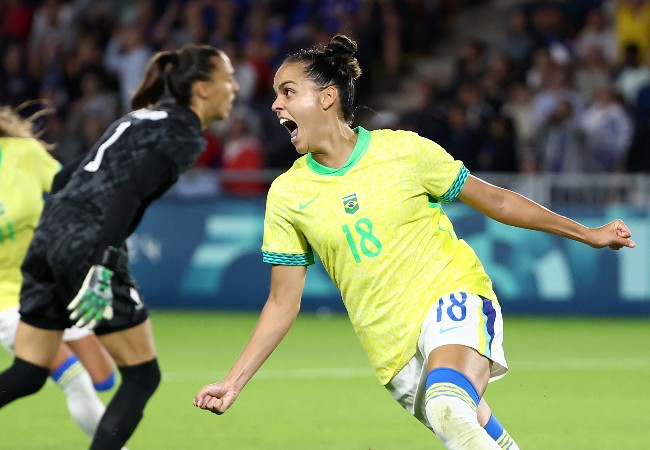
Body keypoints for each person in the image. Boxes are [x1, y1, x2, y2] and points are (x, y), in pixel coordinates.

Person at [193, 35, 635, 450]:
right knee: (469, 428)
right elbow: (281, 303)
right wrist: (233, 381)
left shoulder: (404, 151)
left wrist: (586, 234)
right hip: (393, 354)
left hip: (451, 296)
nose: (274, 105)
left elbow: (496, 200)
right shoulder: (288, 195)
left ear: (327, 97)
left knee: (447, 402)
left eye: (287, 92)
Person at [0, 43, 239, 450]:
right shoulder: (182, 133)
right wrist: (103, 262)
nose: (234, 87)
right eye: (226, 78)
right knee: (143, 377)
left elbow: (62, 183)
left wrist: (63, 241)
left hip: (48, 237)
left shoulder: (140, 117)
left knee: (28, 371)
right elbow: (127, 192)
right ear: (201, 89)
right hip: (88, 244)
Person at [0, 104, 119, 440]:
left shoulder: (23, 152)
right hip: (7, 302)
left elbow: (69, 186)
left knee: (103, 376)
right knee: (76, 380)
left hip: (49, 284)